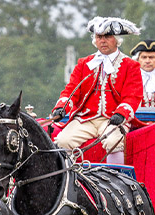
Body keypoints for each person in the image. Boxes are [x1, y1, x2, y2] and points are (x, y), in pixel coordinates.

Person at [51, 16, 143, 164]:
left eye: (107, 36)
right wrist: (61, 107)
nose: (102, 40)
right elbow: (71, 91)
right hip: (85, 119)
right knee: (63, 141)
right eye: (99, 37)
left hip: (112, 119)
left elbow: (132, 96)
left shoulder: (130, 65)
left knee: (113, 141)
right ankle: (69, 181)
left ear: (117, 39)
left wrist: (121, 114)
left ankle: (116, 181)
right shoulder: (84, 63)